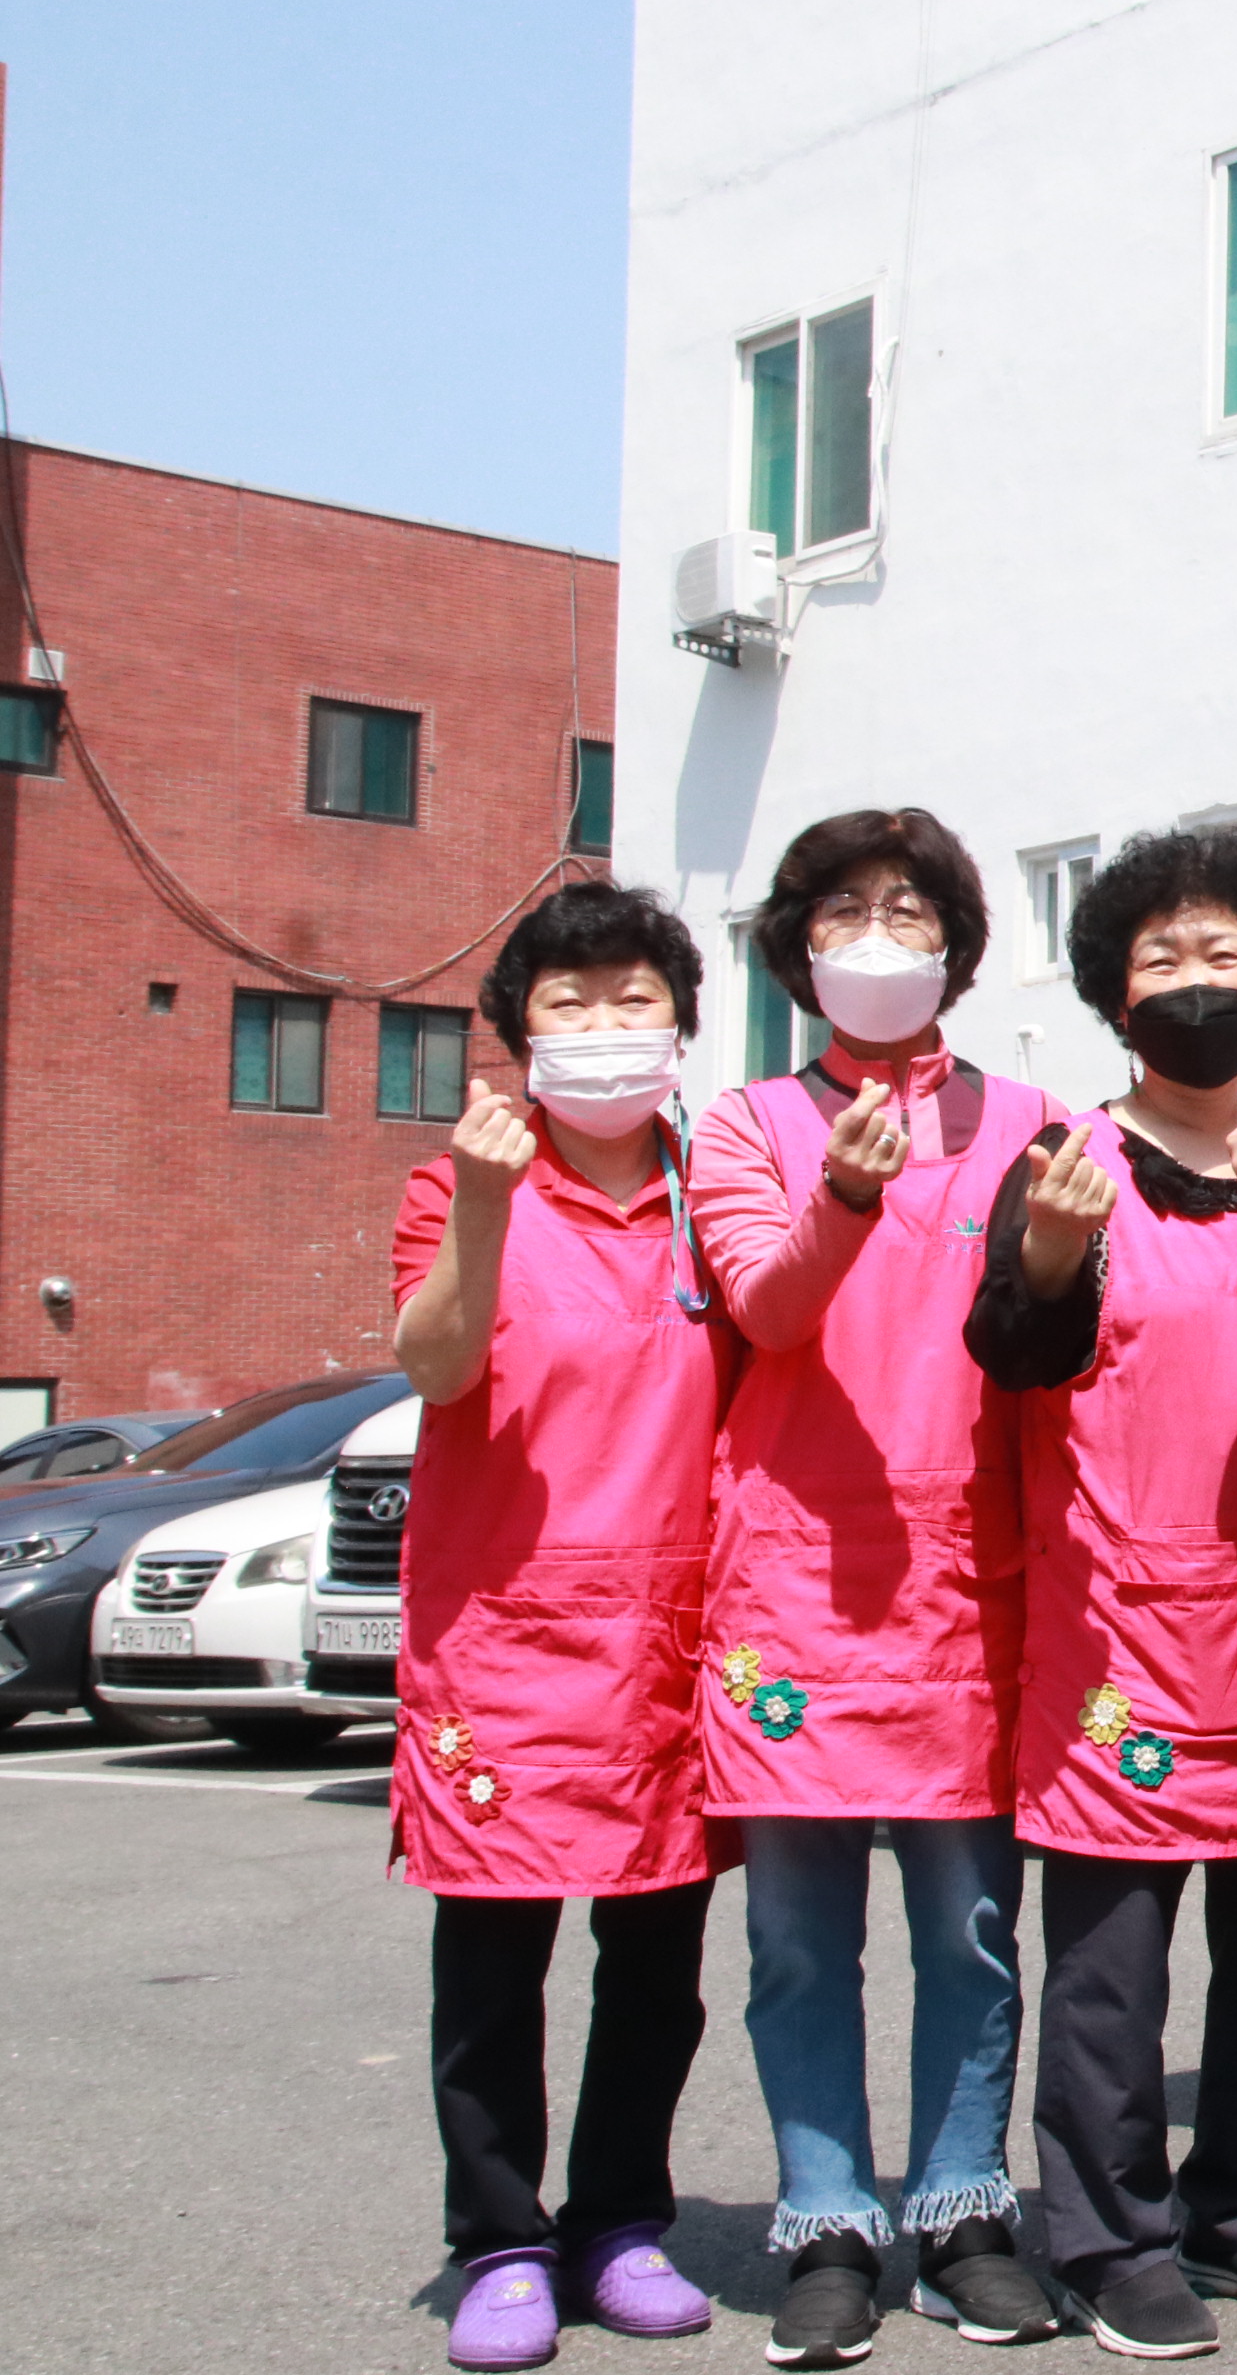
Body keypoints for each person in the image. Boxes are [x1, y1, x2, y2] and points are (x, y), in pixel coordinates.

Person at [966, 825, 1237, 2360]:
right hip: (1122, 1632)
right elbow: (1014, 1356)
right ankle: (1107, 2234)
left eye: (1224, 954)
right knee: (1111, 1970)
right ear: (1114, 996)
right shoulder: (1064, 1164)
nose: (1197, 980)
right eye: (1163, 958)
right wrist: (1046, 1255)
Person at [689, 809, 1062, 2363]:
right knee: (798, 1941)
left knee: (970, 1931)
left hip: (973, 1586)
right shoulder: (743, 1126)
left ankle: (964, 2209)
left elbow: (1070, 1343)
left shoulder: (1037, 1123)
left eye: (910, 910)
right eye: (844, 910)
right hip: (792, 1588)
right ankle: (827, 2218)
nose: (879, 937)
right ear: (797, 949)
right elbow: (770, 1315)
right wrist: (843, 1201)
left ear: (958, 947)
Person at [387, 881, 735, 2373]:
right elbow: (437, 1366)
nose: (604, 1026)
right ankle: (500, 2240)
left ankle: (620, 2224)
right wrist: (482, 1203)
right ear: (520, 1034)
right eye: (569, 1004)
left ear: (681, 1025)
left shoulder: (719, 1192)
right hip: (503, 1643)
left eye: (633, 999)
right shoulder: (456, 1184)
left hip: (673, 1637)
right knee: (493, 1964)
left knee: (656, 1965)